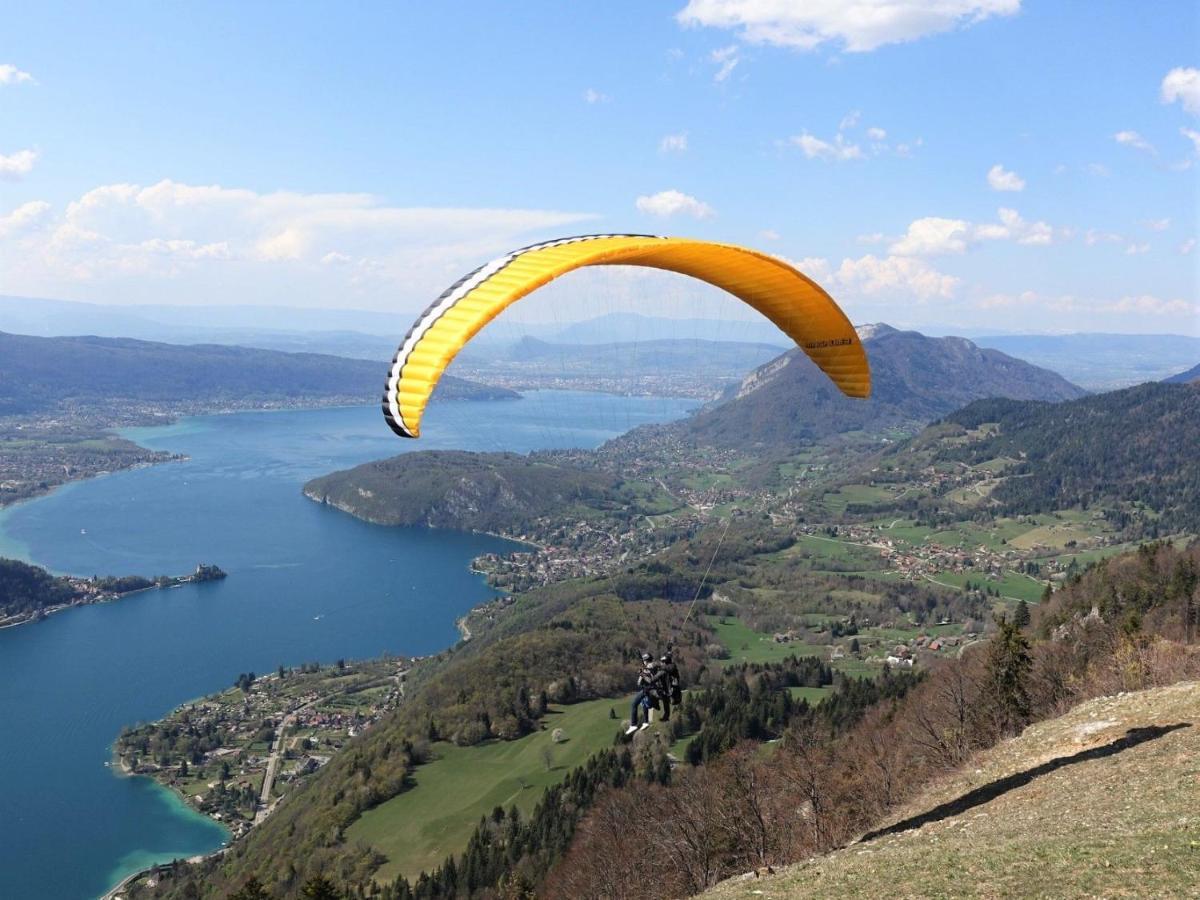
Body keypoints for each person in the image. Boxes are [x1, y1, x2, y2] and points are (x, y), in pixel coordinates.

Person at [625, 652, 660, 735]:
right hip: (655, 690)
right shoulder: (656, 667)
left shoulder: (647, 668)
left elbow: (639, 682)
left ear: (645, 660)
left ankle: (633, 724)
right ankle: (646, 722)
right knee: (644, 703)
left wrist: (641, 673)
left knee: (634, 704)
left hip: (648, 689)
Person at [658, 652, 681, 722]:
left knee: (669, 699)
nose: (662, 663)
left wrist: (659, 666)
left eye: (663, 661)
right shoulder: (667, 668)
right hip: (669, 689)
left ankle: (666, 715)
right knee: (664, 698)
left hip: (674, 691)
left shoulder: (672, 666)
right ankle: (666, 716)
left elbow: (669, 669)